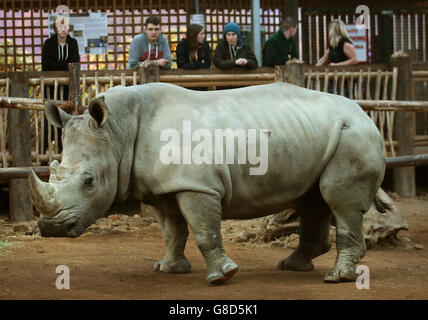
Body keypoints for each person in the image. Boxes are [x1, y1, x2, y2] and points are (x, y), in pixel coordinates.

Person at [42, 15, 80, 153]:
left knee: (67, 117)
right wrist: (64, 67)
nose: (63, 29)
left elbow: (75, 62)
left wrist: (59, 66)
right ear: (55, 28)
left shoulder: (73, 43)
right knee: (49, 119)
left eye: (66, 26)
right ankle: (43, 151)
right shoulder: (48, 43)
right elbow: (46, 65)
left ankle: (65, 151)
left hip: (69, 87)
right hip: (51, 88)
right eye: (60, 26)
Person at [316, 19, 358, 97]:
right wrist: (315, 68)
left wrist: (337, 65)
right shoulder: (333, 45)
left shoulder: (345, 43)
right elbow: (323, 60)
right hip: (334, 83)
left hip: (345, 83)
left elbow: (354, 60)